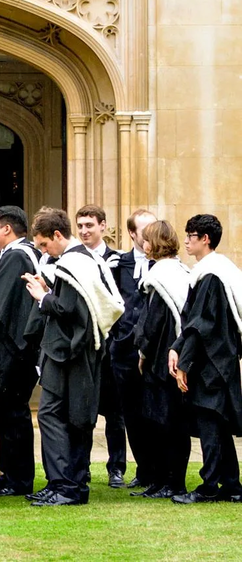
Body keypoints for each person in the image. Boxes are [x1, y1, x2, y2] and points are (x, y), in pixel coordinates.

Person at [25, 207, 123, 507]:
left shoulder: (72, 262)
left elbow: (68, 310)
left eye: (44, 244)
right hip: (81, 350)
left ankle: (64, 485)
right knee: (75, 417)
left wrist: (42, 297)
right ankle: (73, 484)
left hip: (67, 352)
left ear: (57, 235)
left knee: (52, 415)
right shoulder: (85, 260)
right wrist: (50, 291)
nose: (44, 251)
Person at [169, 214, 242, 504]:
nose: (186, 241)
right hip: (217, 361)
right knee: (218, 425)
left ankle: (209, 486)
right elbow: (193, 322)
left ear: (205, 239)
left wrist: (185, 363)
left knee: (211, 424)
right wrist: (176, 347)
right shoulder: (214, 271)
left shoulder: (212, 275)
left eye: (191, 235)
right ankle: (233, 485)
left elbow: (202, 325)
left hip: (212, 363)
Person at [0, 206, 43, 498]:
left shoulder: (17, 256)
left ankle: (17, 479)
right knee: (7, 415)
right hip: (14, 351)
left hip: (13, 352)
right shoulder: (22, 254)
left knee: (12, 415)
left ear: (7, 229)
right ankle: (10, 477)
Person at [132, 220, 191, 499]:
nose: (143, 244)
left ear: (153, 243)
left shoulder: (160, 275)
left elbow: (151, 323)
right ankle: (163, 480)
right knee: (168, 424)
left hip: (161, 360)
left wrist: (142, 351)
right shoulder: (181, 271)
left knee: (166, 424)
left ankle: (171, 482)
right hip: (175, 356)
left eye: (146, 239)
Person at [74, 204, 128, 488]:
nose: (84, 231)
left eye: (89, 225)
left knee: (115, 414)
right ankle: (82, 467)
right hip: (85, 350)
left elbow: (124, 304)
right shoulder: (73, 260)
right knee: (84, 412)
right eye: (80, 226)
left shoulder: (119, 261)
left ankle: (116, 467)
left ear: (103, 227)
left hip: (112, 348)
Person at [110, 209, 159, 492]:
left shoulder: (164, 264)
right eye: (144, 229)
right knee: (131, 414)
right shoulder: (120, 264)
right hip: (123, 351)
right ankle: (143, 470)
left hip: (153, 352)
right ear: (132, 234)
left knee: (155, 411)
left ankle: (159, 470)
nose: (150, 234)